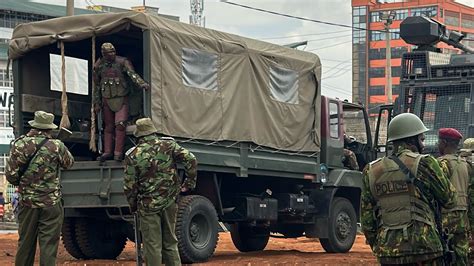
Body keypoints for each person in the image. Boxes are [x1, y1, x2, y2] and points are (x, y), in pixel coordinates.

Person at [361, 113, 457, 265]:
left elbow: (367, 220)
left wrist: (382, 246)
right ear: (413, 140)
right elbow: (450, 199)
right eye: (422, 139)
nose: (423, 145)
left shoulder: (371, 170)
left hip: (388, 251)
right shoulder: (426, 163)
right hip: (425, 249)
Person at [124, 118, 197, 265]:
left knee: (152, 246)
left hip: (148, 206)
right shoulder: (169, 145)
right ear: (152, 130)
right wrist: (189, 183)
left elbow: (129, 187)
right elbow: (191, 159)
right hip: (170, 202)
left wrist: (133, 206)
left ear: (139, 135)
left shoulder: (133, 155)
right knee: (170, 243)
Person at [5, 110, 74, 266]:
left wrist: (24, 184)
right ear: (49, 128)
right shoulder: (57, 145)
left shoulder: (20, 144)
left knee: (26, 243)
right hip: (51, 203)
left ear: (34, 125)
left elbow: (10, 175)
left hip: (28, 203)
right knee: (49, 244)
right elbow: (69, 163)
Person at [93, 42, 150, 162]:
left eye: (113, 52)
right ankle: (107, 152)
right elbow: (97, 86)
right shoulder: (99, 66)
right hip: (106, 99)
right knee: (108, 127)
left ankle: (117, 153)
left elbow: (132, 74)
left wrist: (142, 83)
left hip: (121, 98)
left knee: (120, 125)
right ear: (103, 54)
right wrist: (97, 103)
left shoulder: (122, 62)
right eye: (108, 53)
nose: (111, 55)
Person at [438, 128, 473, 265]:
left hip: (445, 216)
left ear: (444, 143)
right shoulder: (466, 165)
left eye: (439, 142)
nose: (437, 145)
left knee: (443, 254)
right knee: (461, 254)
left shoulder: (441, 164)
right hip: (463, 218)